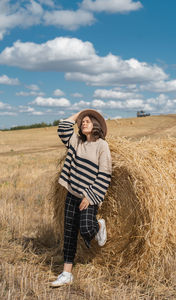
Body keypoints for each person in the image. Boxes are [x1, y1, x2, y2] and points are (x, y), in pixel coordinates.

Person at [51, 109, 112, 287]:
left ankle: (99, 224)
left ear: (96, 125)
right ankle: (66, 274)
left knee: (86, 229)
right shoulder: (75, 142)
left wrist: (91, 196)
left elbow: (105, 173)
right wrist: (80, 114)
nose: (83, 123)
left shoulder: (102, 146)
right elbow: (62, 127)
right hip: (72, 195)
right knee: (69, 234)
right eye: (82, 122)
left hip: (89, 197)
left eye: (87, 121)